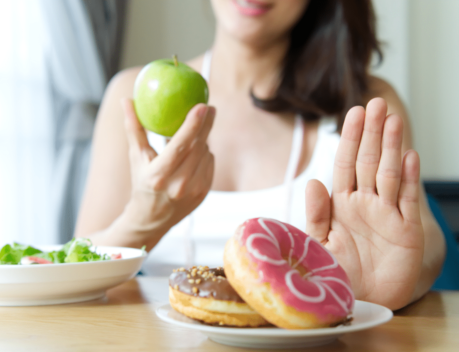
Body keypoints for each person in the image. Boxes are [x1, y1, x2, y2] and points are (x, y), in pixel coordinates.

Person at [74, 0, 445, 310]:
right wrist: (142, 220)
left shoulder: (362, 104)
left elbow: (421, 240)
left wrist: (388, 285)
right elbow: (76, 269)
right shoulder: (132, 94)